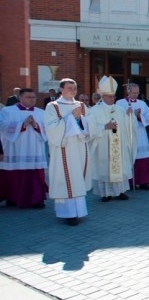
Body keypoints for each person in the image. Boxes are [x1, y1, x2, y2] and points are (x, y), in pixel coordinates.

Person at [44, 78, 91, 226]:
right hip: (63, 149)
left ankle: (80, 211)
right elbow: (51, 128)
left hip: (79, 148)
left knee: (77, 178)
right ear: (62, 89)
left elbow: (91, 124)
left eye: (75, 88)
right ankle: (68, 213)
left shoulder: (81, 105)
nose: (73, 90)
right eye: (69, 87)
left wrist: (80, 120)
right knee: (66, 179)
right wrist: (72, 117)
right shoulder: (53, 106)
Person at [87, 76, 135, 202]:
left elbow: (127, 126)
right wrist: (104, 126)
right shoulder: (94, 110)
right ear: (102, 96)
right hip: (103, 144)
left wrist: (129, 116)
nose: (112, 98)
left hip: (118, 145)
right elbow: (90, 128)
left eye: (113, 96)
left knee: (119, 168)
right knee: (105, 169)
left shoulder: (119, 109)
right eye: (109, 96)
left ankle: (120, 191)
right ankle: (106, 193)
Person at [0, 88, 48, 208]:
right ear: (20, 98)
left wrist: (36, 125)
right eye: (28, 97)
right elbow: (2, 126)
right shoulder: (8, 111)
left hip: (34, 149)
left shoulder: (41, 112)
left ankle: (37, 199)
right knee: (12, 175)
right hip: (14, 149)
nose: (31, 100)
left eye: (33, 97)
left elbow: (47, 130)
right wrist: (23, 124)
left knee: (35, 175)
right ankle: (12, 197)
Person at [116, 83, 149, 190]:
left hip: (140, 133)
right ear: (128, 92)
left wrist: (139, 116)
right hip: (127, 133)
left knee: (143, 157)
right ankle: (129, 182)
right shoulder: (120, 103)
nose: (136, 95)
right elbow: (117, 117)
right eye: (133, 93)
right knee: (129, 157)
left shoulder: (142, 103)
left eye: (137, 93)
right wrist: (128, 114)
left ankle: (144, 181)